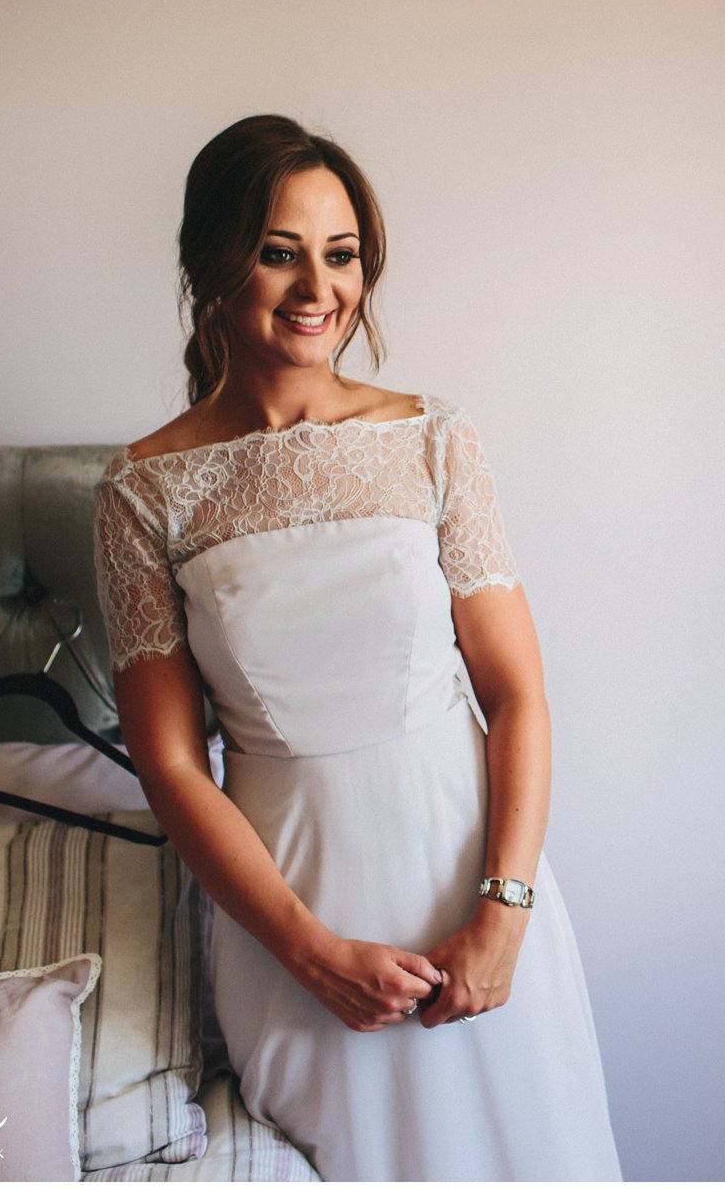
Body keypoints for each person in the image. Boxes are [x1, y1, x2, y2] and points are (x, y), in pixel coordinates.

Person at [91, 114, 622, 1180]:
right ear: (212, 264)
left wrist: (503, 913)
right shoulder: (142, 492)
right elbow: (171, 764)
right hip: (294, 921)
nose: (315, 288)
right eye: (278, 251)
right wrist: (306, 948)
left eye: (340, 256)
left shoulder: (434, 440)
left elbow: (516, 694)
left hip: (474, 888)